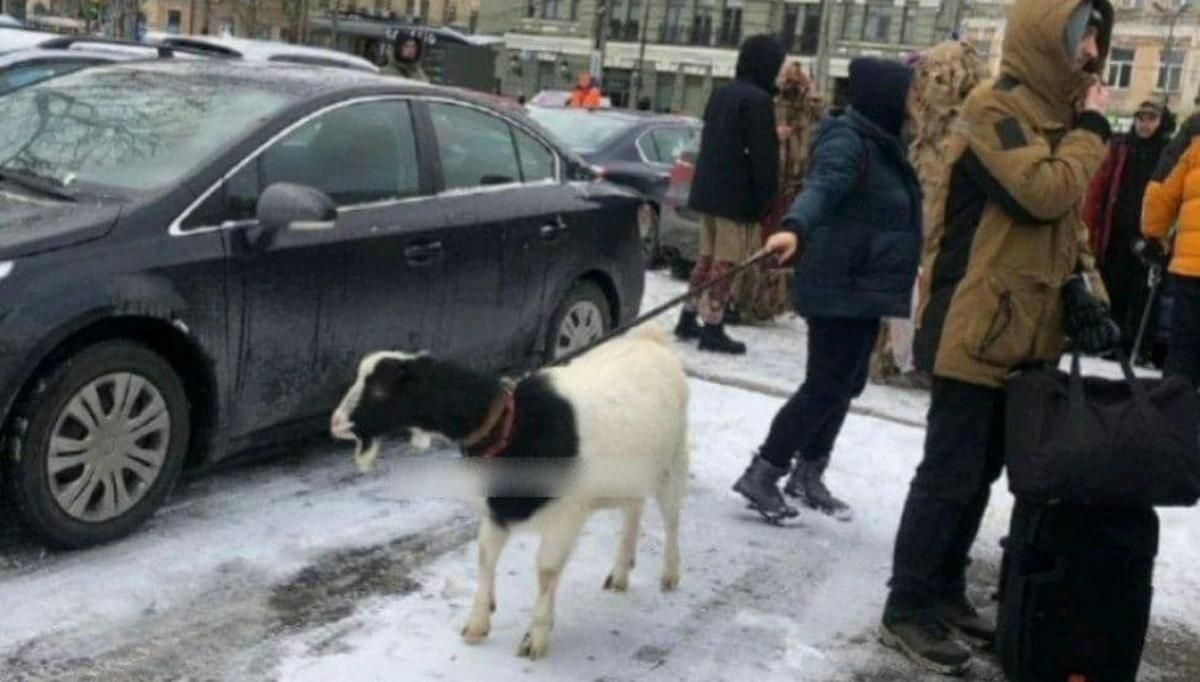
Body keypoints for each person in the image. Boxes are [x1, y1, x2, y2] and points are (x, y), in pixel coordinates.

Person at [883, 2, 1116, 674]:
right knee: (948, 475)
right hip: (973, 325)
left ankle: (945, 590)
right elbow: (1042, 192)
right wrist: (1095, 130)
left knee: (982, 474)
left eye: (1099, 38)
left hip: (1022, 332)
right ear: (1051, 38)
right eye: (1084, 35)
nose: (1094, 51)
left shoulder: (1053, 121)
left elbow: (1066, 228)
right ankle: (906, 606)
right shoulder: (996, 108)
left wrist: (1086, 291)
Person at [732, 56, 923, 523]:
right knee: (824, 386)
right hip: (839, 284)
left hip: (861, 285)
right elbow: (823, 187)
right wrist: (794, 227)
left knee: (845, 384)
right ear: (885, 99)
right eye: (908, 95)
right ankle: (764, 471)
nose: (914, 104)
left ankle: (808, 471)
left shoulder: (883, 143)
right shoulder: (848, 140)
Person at [870, 41, 988, 391]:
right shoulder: (945, 123)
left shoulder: (961, 125)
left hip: (939, 220)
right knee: (917, 281)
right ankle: (904, 356)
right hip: (931, 218)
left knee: (923, 282)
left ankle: (910, 356)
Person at [673, 35, 785, 354]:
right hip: (736, 197)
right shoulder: (759, 101)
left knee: (705, 259)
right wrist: (767, 199)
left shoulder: (722, 93)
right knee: (727, 262)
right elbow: (763, 157)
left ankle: (688, 316)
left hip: (708, 191)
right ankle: (713, 326)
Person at [730, 60, 824, 326]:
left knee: (780, 249)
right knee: (763, 246)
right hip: (774, 186)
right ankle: (749, 299)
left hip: (794, 186)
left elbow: (819, 115)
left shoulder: (808, 113)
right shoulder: (772, 108)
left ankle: (768, 302)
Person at [1087, 100, 1173, 362]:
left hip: (1150, 237)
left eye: (1151, 119)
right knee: (1115, 291)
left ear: (1161, 122)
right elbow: (1102, 188)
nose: (1144, 124)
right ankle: (1112, 342)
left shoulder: (1167, 152)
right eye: (1140, 118)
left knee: (1143, 295)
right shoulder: (1122, 147)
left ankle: (1139, 348)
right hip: (1118, 232)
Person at [1142, 105, 1200, 386]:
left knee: (1184, 350)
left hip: (1192, 265)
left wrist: (1155, 235)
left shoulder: (1195, 131)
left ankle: (1175, 408)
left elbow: (1162, 186)